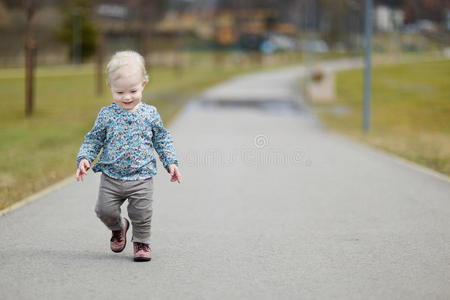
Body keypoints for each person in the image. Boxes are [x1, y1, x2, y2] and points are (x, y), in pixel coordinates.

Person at [75, 50, 181, 262]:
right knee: (103, 210)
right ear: (110, 88)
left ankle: (141, 242)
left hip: (141, 177)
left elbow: (162, 139)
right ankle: (119, 226)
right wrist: (85, 158)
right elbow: (94, 139)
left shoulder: (150, 114)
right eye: (120, 92)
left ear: (143, 84)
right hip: (111, 177)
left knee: (142, 214)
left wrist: (170, 163)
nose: (127, 97)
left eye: (132, 90)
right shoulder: (107, 114)